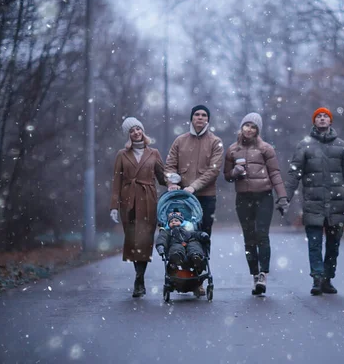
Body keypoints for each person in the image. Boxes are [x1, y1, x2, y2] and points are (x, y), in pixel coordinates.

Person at [284, 107, 344, 295]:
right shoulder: (304, 145)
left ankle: (327, 278)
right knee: (315, 244)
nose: (322, 119)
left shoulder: (342, 146)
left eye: (326, 116)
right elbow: (294, 174)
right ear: (314, 121)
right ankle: (317, 278)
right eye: (319, 116)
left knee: (334, 245)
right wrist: (285, 198)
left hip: (338, 203)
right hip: (313, 203)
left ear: (330, 121)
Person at [223, 112, 289, 295]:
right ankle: (254, 274)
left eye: (253, 127)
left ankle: (263, 274)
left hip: (264, 196)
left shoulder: (266, 148)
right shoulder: (232, 150)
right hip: (243, 198)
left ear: (258, 130)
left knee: (261, 234)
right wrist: (234, 172)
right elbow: (226, 176)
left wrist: (282, 197)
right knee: (248, 237)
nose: (249, 129)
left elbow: (275, 173)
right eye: (247, 125)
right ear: (241, 127)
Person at [165, 104, 224, 294]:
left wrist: (194, 186)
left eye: (204, 115)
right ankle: (179, 276)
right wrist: (172, 182)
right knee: (178, 237)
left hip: (205, 198)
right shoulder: (180, 141)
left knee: (202, 237)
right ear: (191, 118)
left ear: (208, 119)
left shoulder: (215, 142)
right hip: (181, 200)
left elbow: (213, 170)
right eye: (197, 114)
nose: (200, 117)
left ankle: (198, 279)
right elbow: (169, 165)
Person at [110, 117, 167, 298]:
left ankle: (139, 279)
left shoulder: (154, 153)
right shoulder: (122, 155)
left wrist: (175, 183)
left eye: (138, 129)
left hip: (148, 200)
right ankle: (139, 278)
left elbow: (162, 177)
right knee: (133, 241)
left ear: (142, 130)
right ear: (128, 135)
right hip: (128, 201)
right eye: (132, 130)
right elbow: (116, 182)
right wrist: (113, 206)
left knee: (144, 241)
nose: (136, 132)